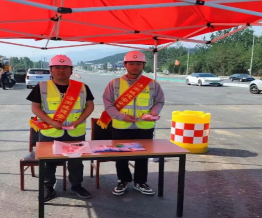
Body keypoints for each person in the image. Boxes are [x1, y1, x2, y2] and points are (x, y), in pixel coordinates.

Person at [26, 54, 95, 202]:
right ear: (51, 70)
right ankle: (47, 187)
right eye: (57, 67)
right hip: (50, 131)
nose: (61, 70)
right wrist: (51, 122)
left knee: (76, 161)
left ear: (71, 70)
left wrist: (78, 121)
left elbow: (90, 106)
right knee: (48, 161)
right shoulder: (42, 87)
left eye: (65, 67)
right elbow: (35, 108)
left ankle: (76, 185)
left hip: (75, 131)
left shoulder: (82, 87)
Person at [99, 51, 165, 196]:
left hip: (144, 126)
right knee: (120, 156)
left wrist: (153, 113)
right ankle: (122, 180)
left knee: (143, 156)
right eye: (132, 63)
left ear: (143, 65)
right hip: (121, 126)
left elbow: (159, 101)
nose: (135, 66)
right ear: (125, 65)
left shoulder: (152, 84)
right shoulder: (114, 84)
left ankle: (140, 182)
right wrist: (122, 117)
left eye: (138, 64)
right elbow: (108, 104)